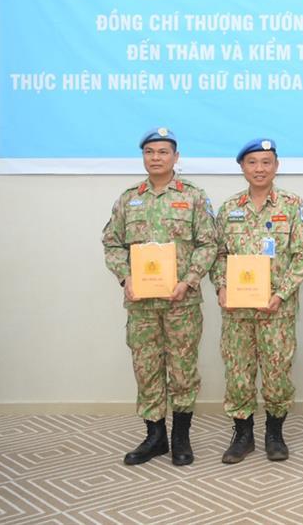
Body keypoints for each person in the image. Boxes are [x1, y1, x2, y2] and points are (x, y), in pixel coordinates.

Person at [102, 127, 216, 466]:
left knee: (182, 370)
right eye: (150, 152)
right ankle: (155, 437)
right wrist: (125, 278)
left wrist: (190, 280)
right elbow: (112, 243)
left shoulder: (194, 196)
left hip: (182, 302)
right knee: (147, 368)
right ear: (143, 157)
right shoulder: (128, 198)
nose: (156, 158)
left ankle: (181, 438)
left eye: (163, 152)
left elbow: (209, 243)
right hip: (142, 304)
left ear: (175, 157)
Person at [210, 138, 303, 464]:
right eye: (253, 162)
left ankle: (274, 434)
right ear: (242, 167)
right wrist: (221, 287)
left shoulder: (293, 206)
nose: (260, 168)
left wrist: (281, 293)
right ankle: (242, 435)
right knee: (238, 373)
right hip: (237, 311)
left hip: (276, 310)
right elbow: (218, 255)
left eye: (266, 162)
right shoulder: (228, 209)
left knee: (276, 373)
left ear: (276, 166)